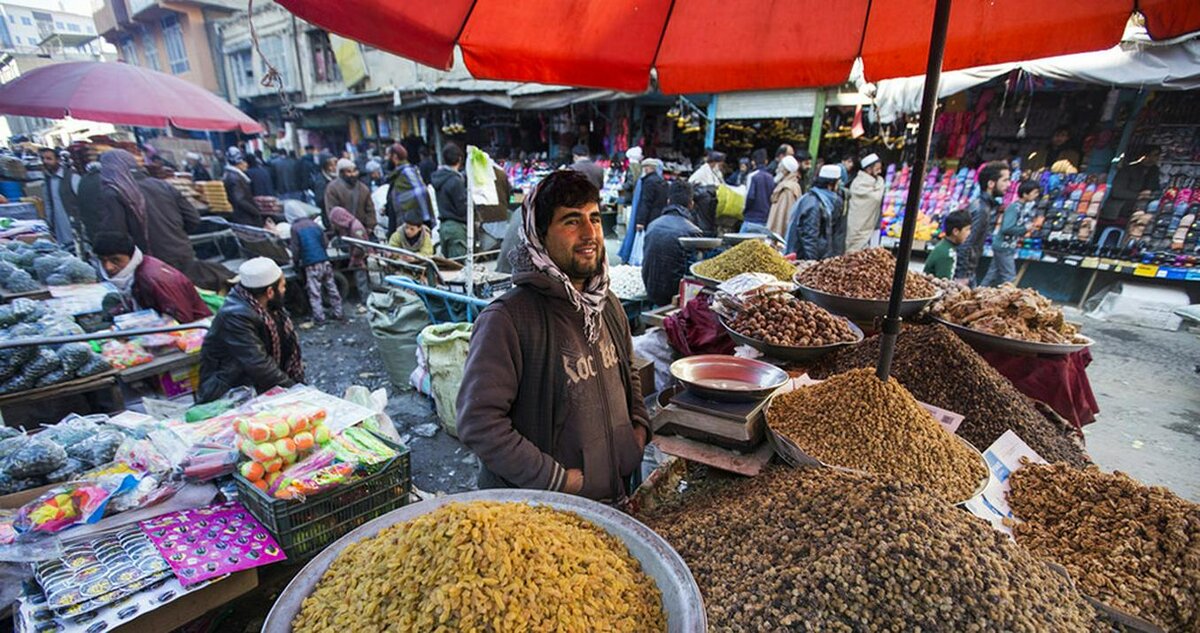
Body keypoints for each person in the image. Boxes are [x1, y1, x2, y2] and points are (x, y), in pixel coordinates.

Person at [457, 170, 650, 502]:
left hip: (615, 495)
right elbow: (480, 423)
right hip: (548, 512)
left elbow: (627, 370)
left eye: (595, 219)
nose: (590, 233)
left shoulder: (607, 304)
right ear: (539, 235)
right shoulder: (508, 319)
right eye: (572, 222)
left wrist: (638, 429)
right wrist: (557, 479)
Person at [100, 149, 233, 291]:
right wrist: (174, 234)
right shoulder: (163, 185)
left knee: (171, 301)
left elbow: (116, 236)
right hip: (181, 252)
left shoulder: (115, 193)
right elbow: (193, 218)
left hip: (150, 262)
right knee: (192, 295)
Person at [197, 257, 304, 403]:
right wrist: (296, 391)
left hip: (255, 382)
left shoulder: (269, 307)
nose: (285, 290)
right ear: (270, 292)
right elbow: (258, 363)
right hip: (232, 391)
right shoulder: (235, 316)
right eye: (283, 286)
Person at [93, 232, 211, 323]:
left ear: (131, 256)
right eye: (103, 261)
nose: (108, 267)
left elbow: (181, 320)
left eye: (115, 260)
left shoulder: (154, 279)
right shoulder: (137, 271)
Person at [641, 181, 702, 306]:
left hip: (651, 292)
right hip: (674, 296)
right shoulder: (693, 231)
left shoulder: (652, 226)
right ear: (691, 204)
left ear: (668, 201)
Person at [955, 161, 1011, 285]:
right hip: (966, 275)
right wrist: (962, 275)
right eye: (1005, 180)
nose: (1009, 184)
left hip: (969, 272)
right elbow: (966, 243)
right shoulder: (981, 209)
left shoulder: (985, 206)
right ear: (991, 183)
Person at [287, 206, 342, 323]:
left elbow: (295, 249)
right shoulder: (315, 224)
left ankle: (319, 317)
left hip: (311, 264)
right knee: (332, 287)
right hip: (324, 260)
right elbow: (326, 243)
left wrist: (295, 262)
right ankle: (338, 312)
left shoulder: (295, 228)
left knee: (315, 292)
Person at [981, 180, 1040, 287]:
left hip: (1004, 245)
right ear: (1025, 193)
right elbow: (1007, 228)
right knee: (1009, 277)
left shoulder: (1021, 208)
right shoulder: (1014, 207)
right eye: (1034, 192)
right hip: (1004, 246)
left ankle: (977, 294)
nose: (1036, 195)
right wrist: (1025, 228)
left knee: (992, 275)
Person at [785, 164, 845, 260]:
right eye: (838, 182)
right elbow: (809, 237)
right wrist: (812, 263)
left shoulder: (824, 200)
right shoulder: (814, 203)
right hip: (804, 257)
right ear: (831, 185)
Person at [1098, 147, 1160, 230]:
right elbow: (1117, 192)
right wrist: (1139, 195)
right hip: (1118, 210)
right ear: (1146, 156)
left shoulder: (1154, 171)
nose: (1157, 158)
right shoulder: (1128, 170)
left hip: (1137, 207)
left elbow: (1153, 189)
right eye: (1155, 155)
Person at [382, 144, 433, 234]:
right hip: (400, 221)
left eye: (388, 155)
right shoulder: (397, 175)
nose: (386, 159)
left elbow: (421, 193)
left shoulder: (407, 172)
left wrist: (426, 218)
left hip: (410, 224)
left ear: (394, 157)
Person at [328, 206, 370, 310]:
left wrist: (354, 258)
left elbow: (360, 246)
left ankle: (367, 302)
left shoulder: (355, 228)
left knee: (361, 280)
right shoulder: (351, 226)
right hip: (359, 257)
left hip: (360, 258)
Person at [39, 147, 80, 254]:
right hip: (58, 226)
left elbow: (82, 200)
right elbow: (48, 203)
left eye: (49, 158)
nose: (45, 161)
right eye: (43, 158)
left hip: (74, 226)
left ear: (58, 160)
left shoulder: (71, 177)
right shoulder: (47, 180)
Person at [325, 158, 377, 240]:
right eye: (348, 172)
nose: (352, 174)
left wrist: (369, 227)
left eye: (354, 171)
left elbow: (370, 210)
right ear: (342, 173)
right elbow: (332, 212)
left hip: (364, 231)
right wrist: (341, 229)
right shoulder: (333, 188)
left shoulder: (363, 188)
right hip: (345, 233)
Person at [432, 143, 469, 259]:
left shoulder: (439, 177)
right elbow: (462, 208)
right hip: (456, 228)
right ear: (459, 159)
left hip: (444, 227)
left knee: (449, 268)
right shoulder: (455, 181)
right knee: (458, 269)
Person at [845, 153, 886, 252]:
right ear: (868, 169)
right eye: (877, 169)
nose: (879, 172)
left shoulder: (877, 182)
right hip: (858, 227)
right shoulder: (859, 184)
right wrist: (880, 184)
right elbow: (875, 198)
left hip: (872, 226)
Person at [224, 148, 269, 227]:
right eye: (244, 162)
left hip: (243, 216)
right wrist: (255, 211)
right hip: (245, 217)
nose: (246, 164)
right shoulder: (234, 178)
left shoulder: (234, 176)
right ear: (238, 163)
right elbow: (240, 200)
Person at [924, 209, 972, 280]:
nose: (969, 233)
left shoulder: (946, 246)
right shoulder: (947, 254)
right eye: (967, 229)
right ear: (955, 231)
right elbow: (944, 284)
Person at [741, 149, 776, 233]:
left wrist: (744, 211)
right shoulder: (771, 178)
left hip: (751, 218)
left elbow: (749, 197)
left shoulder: (752, 176)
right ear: (766, 161)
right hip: (765, 218)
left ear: (753, 162)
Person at [767, 155, 802, 237]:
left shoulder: (788, 189)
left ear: (786, 171)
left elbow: (783, 217)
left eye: (780, 167)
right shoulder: (787, 186)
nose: (777, 170)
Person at [633, 158, 668, 235]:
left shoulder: (648, 182)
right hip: (659, 215)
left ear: (647, 168)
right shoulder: (662, 181)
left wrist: (641, 221)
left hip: (650, 217)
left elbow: (645, 202)